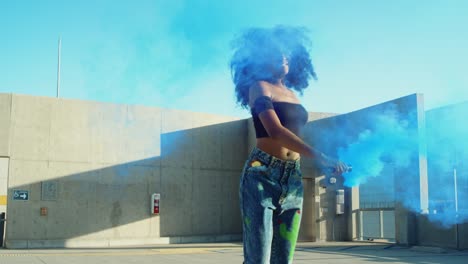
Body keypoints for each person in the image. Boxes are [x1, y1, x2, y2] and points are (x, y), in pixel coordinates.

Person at [230, 25, 349, 264]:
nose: (283, 56)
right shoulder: (259, 88)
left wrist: (326, 163)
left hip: (293, 178)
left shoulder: (293, 95)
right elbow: (275, 131)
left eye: (286, 53)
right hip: (261, 174)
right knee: (259, 259)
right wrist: (322, 157)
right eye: (275, 53)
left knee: (284, 259)